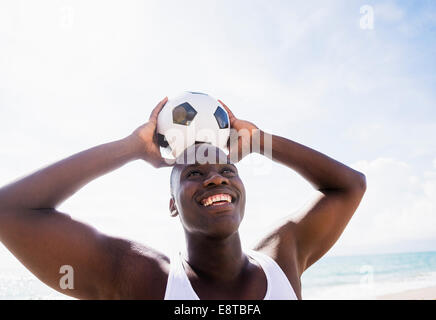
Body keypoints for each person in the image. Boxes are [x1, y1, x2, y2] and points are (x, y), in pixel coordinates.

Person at [0, 97, 366, 300]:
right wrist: (131, 148)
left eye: (227, 170)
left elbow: (350, 186)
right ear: (173, 204)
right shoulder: (141, 278)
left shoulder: (281, 258)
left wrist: (260, 141)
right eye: (193, 174)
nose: (215, 178)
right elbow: (10, 210)